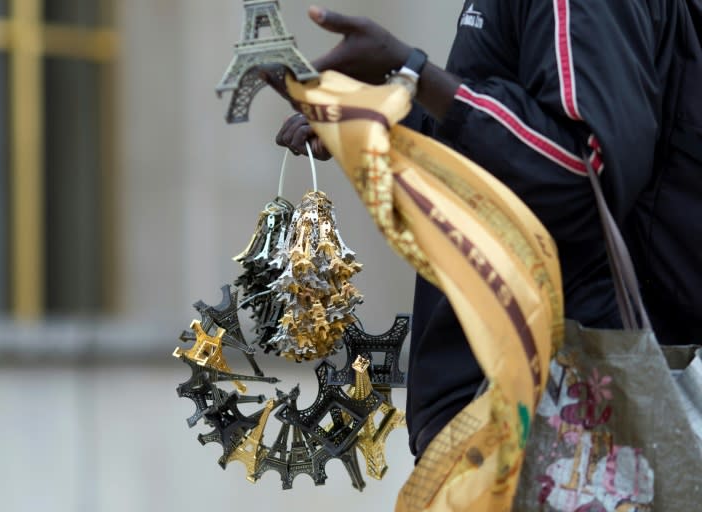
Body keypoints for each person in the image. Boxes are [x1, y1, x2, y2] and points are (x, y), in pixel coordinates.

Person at [273, 2, 682, 461]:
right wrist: (383, 114)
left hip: (559, 406)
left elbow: (579, 175)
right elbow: (515, 139)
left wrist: (413, 72)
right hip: (532, 400)